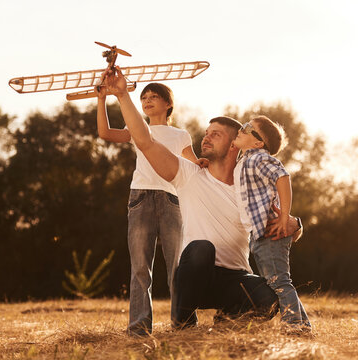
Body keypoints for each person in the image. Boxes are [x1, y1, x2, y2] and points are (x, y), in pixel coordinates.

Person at [102, 67, 303, 330]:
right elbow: (145, 141)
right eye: (207, 132)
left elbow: (283, 227)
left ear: (235, 145)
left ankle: (228, 316)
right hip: (195, 275)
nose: (206, 137)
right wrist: (122, 96)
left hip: (234, 277)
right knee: (200, 249)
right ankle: (183, 320)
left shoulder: (250, 190)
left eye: (215, 134)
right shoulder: (190, 175)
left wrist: (295, 226)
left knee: (269, 297)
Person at [95, 81, 202, 336]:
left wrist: (206, 164)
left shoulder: (181, 135)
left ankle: (183, 324)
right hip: (140, 198)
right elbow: (105, 133)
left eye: (154, 96)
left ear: (168, 104)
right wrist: (101, 100)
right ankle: (139, 328)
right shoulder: (136, 129)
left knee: (176, 266)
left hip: (172, 200)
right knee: (141, 267)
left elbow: (195, 165)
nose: (147, 100)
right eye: (144, 97)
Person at [232, 115, 311, 332]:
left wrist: (285, 217)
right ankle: (302, 325)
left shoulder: (258, 158)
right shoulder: (245, 159)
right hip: (259, 234)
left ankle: (295, 327)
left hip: (271, 232)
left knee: (279, 281)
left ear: (258, 143)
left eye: (247, 128)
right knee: (277, 281)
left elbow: (282, 177)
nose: (242, 128)